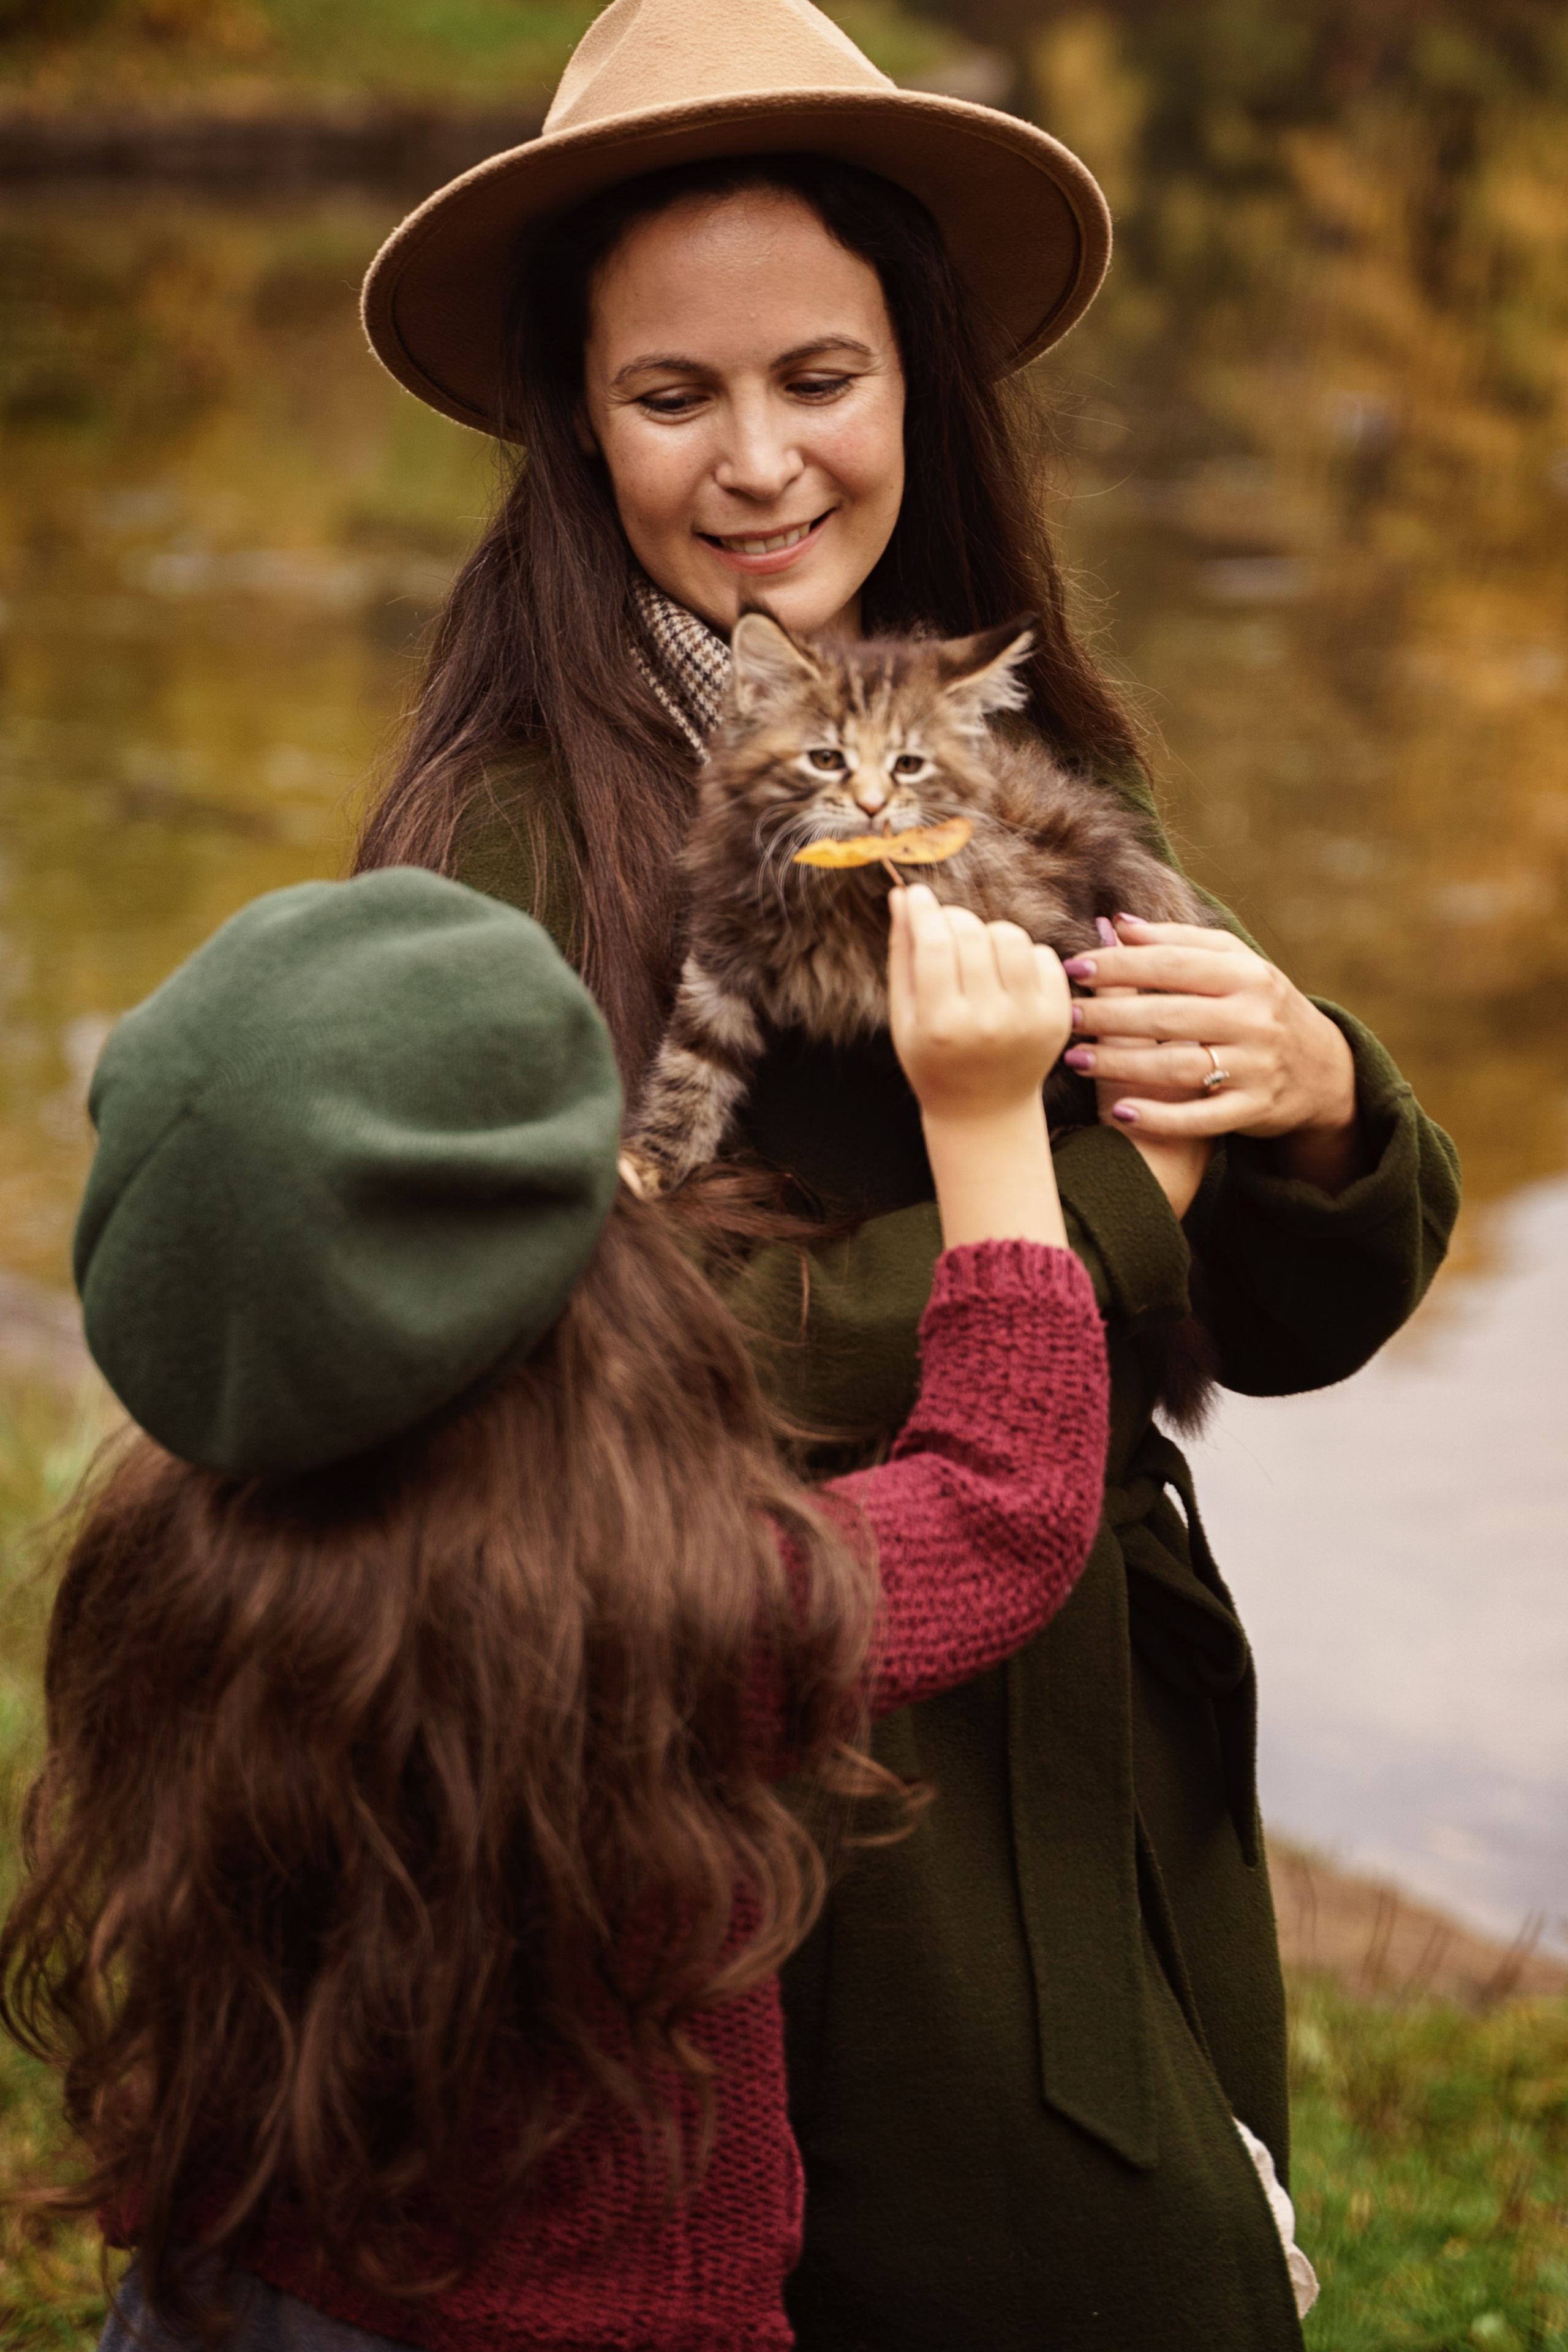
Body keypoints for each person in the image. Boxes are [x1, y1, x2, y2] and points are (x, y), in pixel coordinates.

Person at [353, 1, 1460, 2341]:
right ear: (575, 418)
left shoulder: (1019, 722)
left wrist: (1318, 1096)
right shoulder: (509, 836)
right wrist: (1083, 1212)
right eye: (676, 396)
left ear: (913, 381)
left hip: (1102, 1792)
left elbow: (1293, 1316)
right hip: (793, 1821)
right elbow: (532, 1361)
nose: (759, 462)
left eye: (819, 378)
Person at [2, 866, 1110, 2351]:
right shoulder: (664, 1618)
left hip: (222, 2292)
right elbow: (1004, 1504)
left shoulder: (161, 1573)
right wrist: (982, 1119)